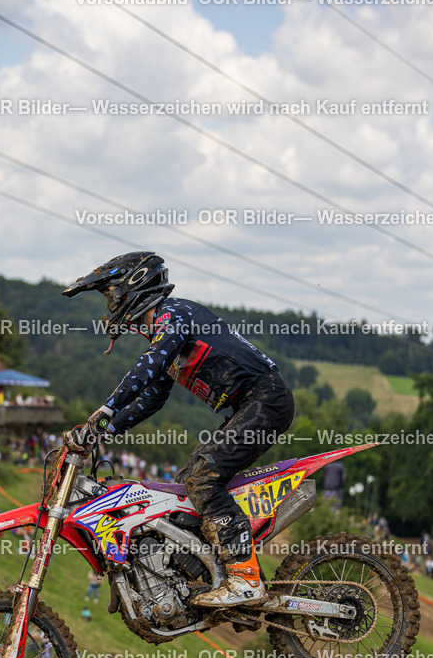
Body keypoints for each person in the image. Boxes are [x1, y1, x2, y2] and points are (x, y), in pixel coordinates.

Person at [61, 251, 295, 608]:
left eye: (111, 295)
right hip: (251, 405)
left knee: (203, 477)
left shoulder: (174, 314)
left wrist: (105, 410)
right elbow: (150, 400)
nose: (110, 306)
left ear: (135, 287)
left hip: (267, 399)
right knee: (185, 489)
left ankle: (246, 579)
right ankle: (208, 576)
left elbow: (147, 367)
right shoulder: (165, 337)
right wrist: (100, 432)